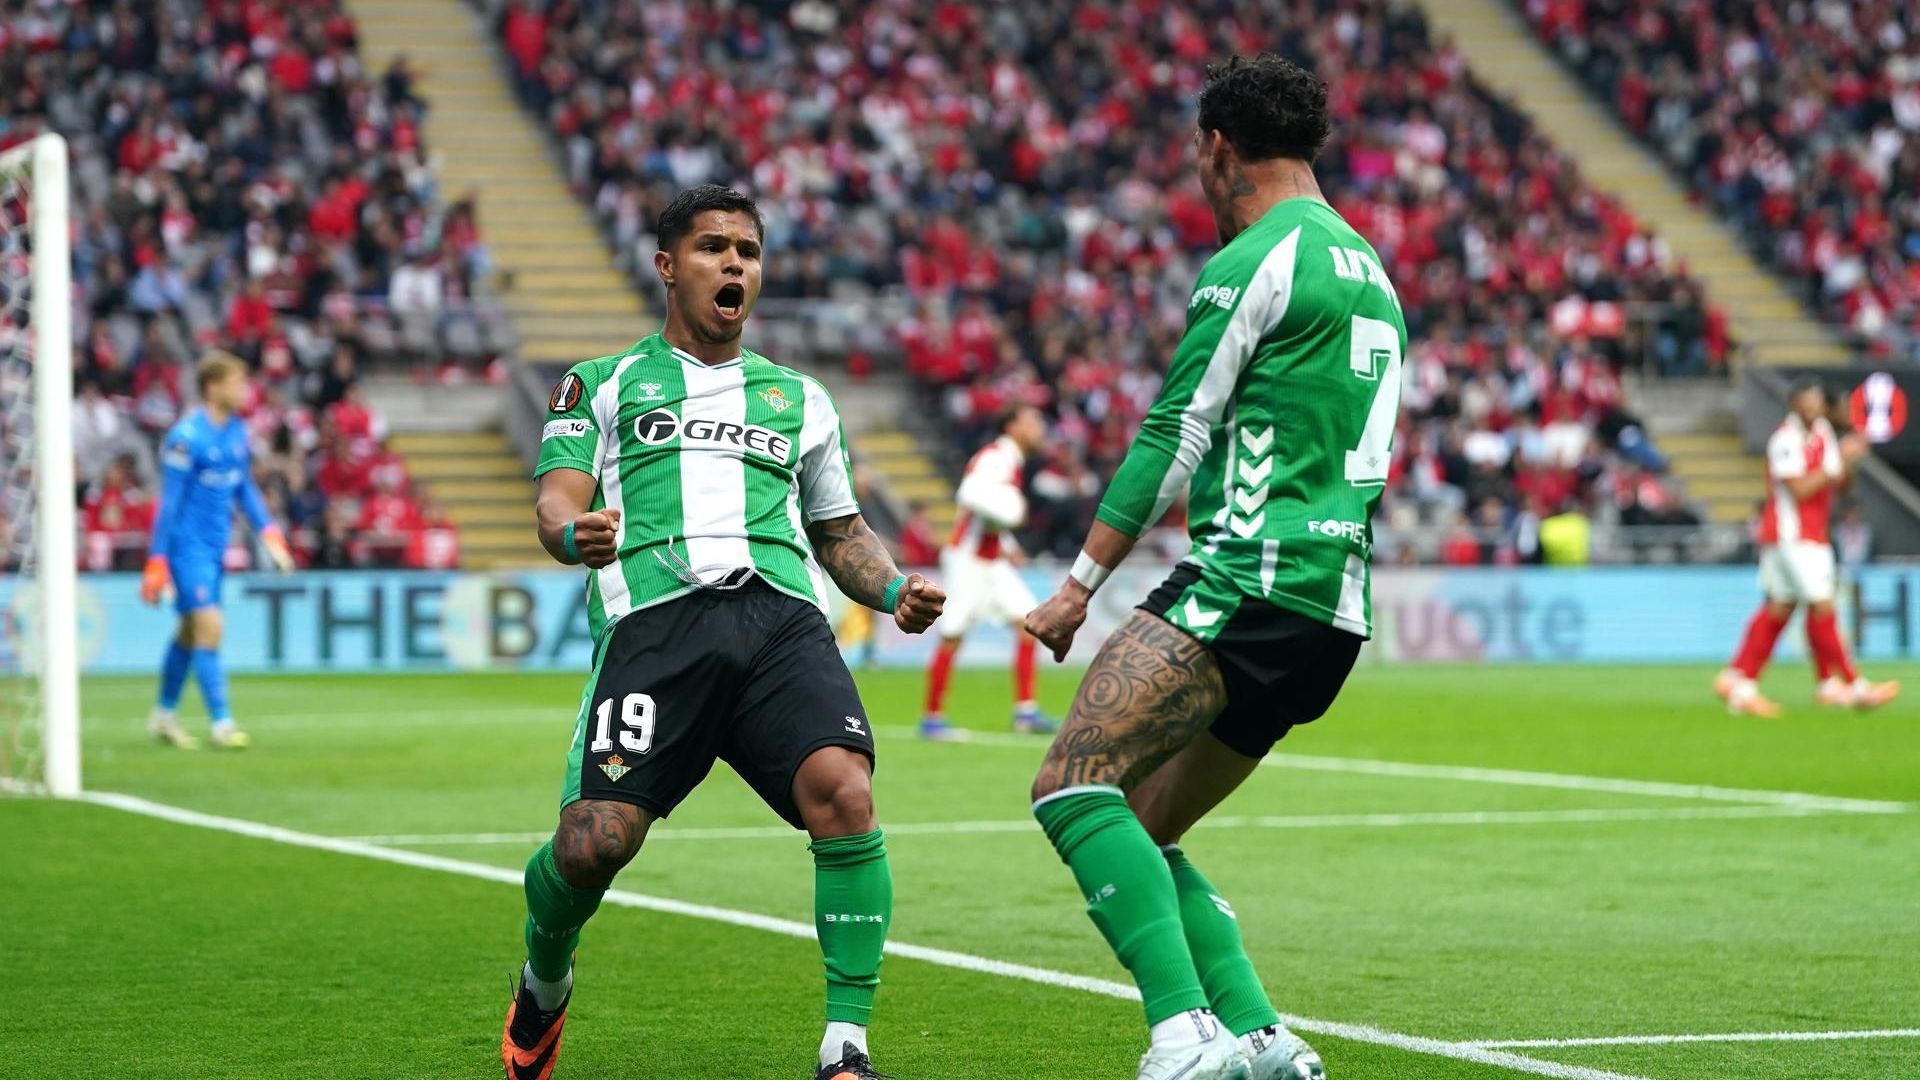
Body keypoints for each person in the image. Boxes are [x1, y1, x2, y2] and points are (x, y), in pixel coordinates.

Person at [500, 185, 946, 1080]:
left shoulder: (800, 398)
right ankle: (543, 983)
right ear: (669, 267)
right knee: (595, 844)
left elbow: (838, 532)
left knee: (845, 795)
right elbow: (557, 497)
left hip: (781, 620)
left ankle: (846, 1047)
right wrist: (567, 533)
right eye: (712, 247)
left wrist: (893, 588)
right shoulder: (603, 381)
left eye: (746, 249)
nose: (733, 263)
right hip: (657, 628)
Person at [1022, 54, 1399, 1080]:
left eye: (1197, 155)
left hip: (1248, 581)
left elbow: (1171, 433)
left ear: (1219, 147)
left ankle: (1184, 1036)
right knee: (1147, 821)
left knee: (1070, 786)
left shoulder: (1256, 259)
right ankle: (1262, 1036)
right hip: (1336, 610)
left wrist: (1078, 588)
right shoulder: (1371, 269)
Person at [139, 352, 295, 750]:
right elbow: (169, 504)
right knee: (211, 626)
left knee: (190, 633)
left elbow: (244, 488)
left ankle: (163, 715)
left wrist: (270, 533)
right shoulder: (185, 437)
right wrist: (157, 560)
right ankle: (222, 724)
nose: (244, 390)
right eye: (237, 382)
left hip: (215, 548)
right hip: (185, 549)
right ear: (213, 386)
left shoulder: (237, 432)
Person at [1714, 378, 1898, 715]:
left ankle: (1739, 681)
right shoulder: (1784, 440)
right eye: (1807, 401)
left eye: (1817, 401)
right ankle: (1854, 685)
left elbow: (1841, 486)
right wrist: (1836, 460)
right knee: (1822, 605)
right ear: (1793, 404)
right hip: (1790, 536)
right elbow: (1799, 489)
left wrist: (1849, 461)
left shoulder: (1823, 433)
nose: (1814, 407)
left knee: (1780, 609)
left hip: (1813, 535)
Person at [920, 402, 1058, 738]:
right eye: (1032, 420)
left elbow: (985, 513)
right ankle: (932, 718)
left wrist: (1008, 545)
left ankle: (1025, 713)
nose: (1039, 427)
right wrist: (1012, 511)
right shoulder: (997, 456)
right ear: (1011, 426)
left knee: (1029, 622)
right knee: (952, 633)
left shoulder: (1008, 459)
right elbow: (970, 494)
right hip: (969, 560)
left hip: (991, 560)